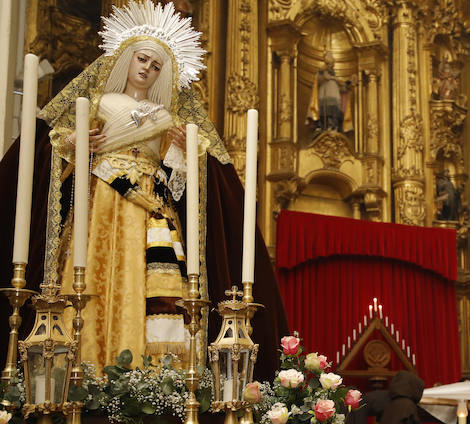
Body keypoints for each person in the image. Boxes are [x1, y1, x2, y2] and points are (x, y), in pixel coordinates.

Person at [0, 0, 287, 376]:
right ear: (126, 58)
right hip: (101, 201)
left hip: (150, 208)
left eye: (156, 66)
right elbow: (57, 148)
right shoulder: (99, 101)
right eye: (143, 60)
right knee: (91, 275)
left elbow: (180, 181)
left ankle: (148, 374)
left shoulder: (166, 116)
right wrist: (78, 141)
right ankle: (83, 366)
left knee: (153, 283)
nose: (147, 70)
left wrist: (185, 152)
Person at [307, 51, 353, 133]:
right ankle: (324, 126)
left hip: (334, 94)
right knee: (325, 111)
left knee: (334, 111)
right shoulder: (322, 72)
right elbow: (319, 80)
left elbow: (342, 89)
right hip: (324, 94)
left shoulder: (335, 78)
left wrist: (348, 85)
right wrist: (324, 74)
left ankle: (333, 126)